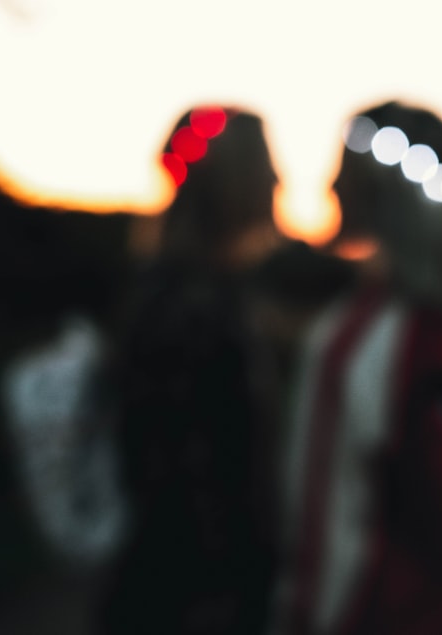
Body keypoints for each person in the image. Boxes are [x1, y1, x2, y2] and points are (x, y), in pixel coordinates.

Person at [271, 101, 442, 635]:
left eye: (342, 170)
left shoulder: (354, 345)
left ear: (381, 196)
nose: (328, 185)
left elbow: (324, 547)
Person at [97, 105, 285, 635]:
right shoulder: (191, 309)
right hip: (189, 606)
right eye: (266, 164)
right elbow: (183, 485)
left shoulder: (186, 294)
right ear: (232, 182)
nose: (278, 179)